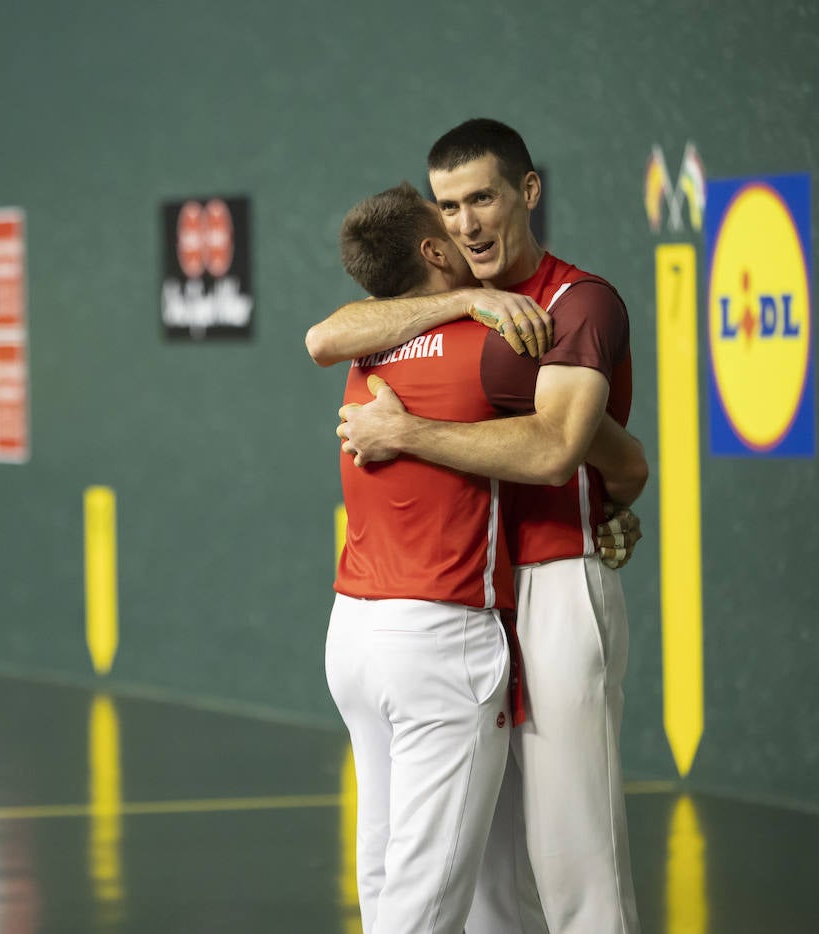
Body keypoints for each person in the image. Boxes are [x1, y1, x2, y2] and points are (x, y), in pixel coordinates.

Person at [323, 119, 645, 933]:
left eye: (483, 198)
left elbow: (558, 450)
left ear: (527, 194)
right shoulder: (439, 313)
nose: (467, 223)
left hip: (560, 579)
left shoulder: (581, 302)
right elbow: (326, 335)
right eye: (449, 206)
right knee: (488, 875)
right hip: (476, 601)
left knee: (576, 855)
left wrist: (405, 434)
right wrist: (469, 298)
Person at [323, 181, 517, 933]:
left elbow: (323, 335)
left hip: (355, 638)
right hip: (439, 641)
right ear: (435, 251)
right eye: (451, 223)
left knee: (384, 868)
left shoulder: (364, 341)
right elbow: (559, 446)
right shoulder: (492, 344)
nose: (470, 231)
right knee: (427, 897)